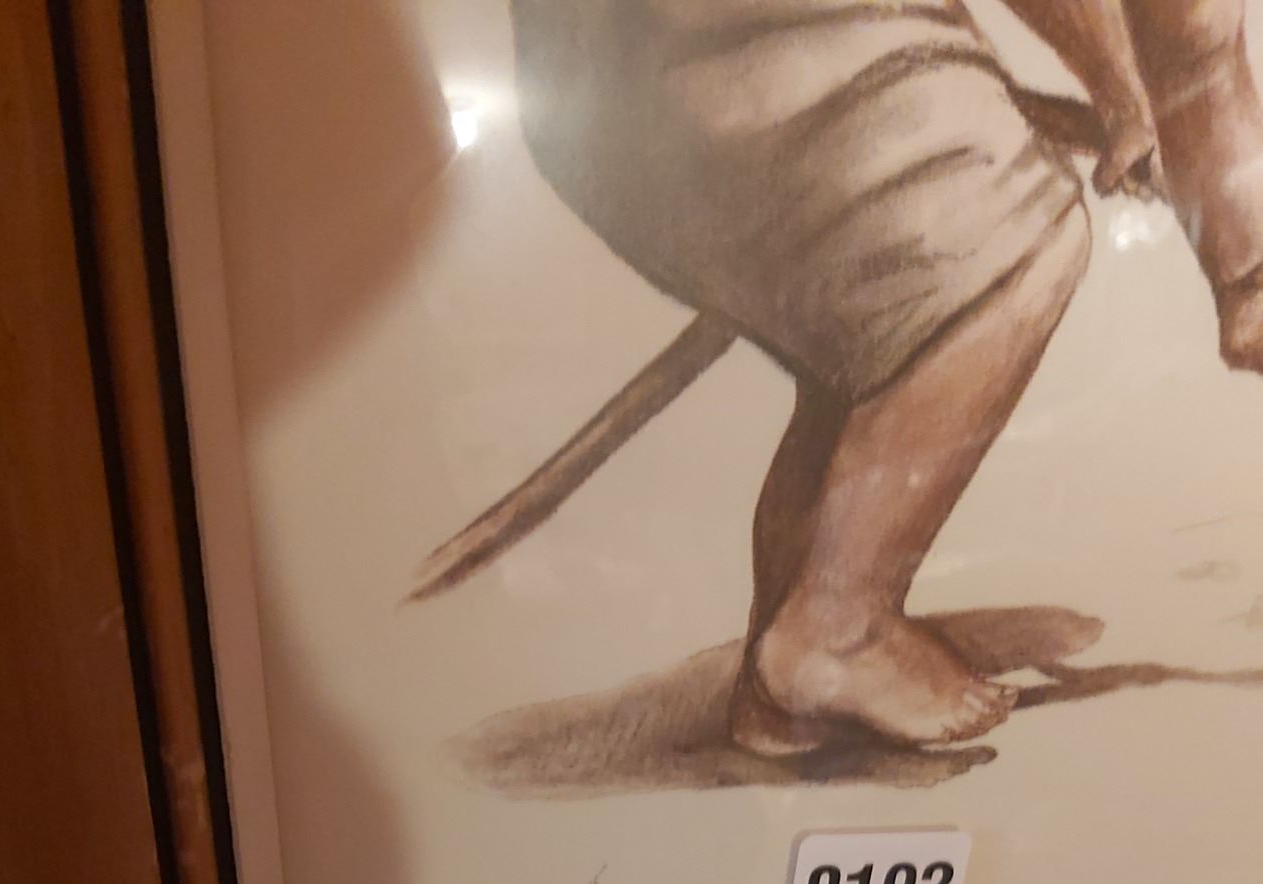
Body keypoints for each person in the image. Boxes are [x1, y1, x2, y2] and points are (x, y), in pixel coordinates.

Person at [507, 0, 1263, 755]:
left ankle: (784, 678)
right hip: (715, 64)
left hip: (611, 89)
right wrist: (1119, 94)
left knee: (888, 330)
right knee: (1009, 248)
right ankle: (838, 626)